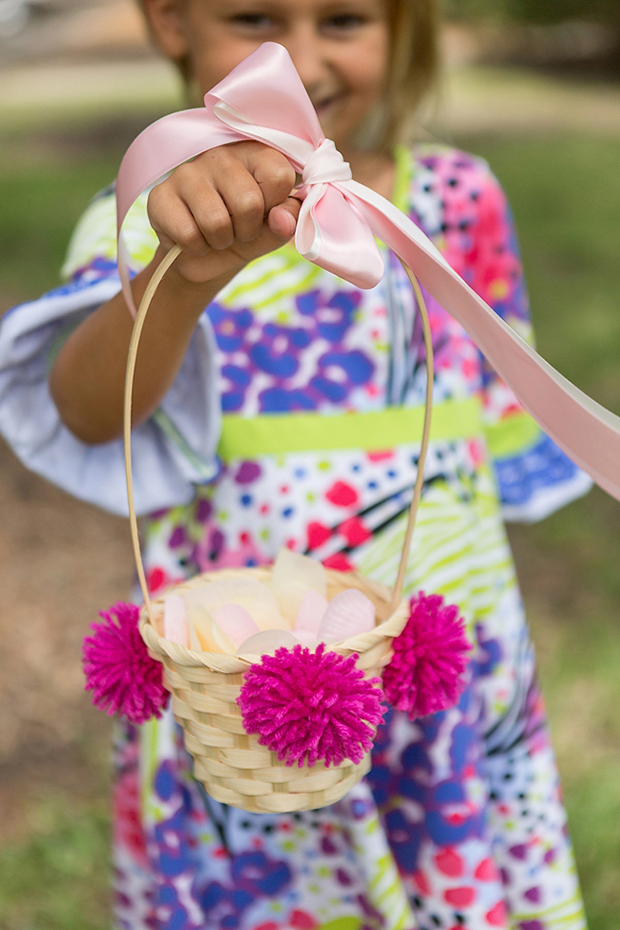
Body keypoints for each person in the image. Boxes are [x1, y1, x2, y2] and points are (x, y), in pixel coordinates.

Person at [0, 1, 593, 928]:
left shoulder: (455, 199)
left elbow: (493, 416)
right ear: (169, 23)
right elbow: (85, 412)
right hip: (238, 698)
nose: (301, 58)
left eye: (347, 19)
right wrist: (182, 272)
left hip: (428, 661)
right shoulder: (140, 213)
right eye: (254, 16)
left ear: (404, 30)